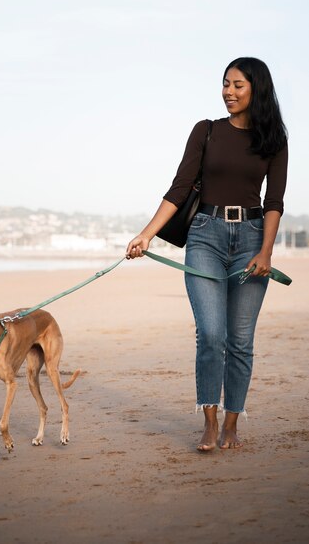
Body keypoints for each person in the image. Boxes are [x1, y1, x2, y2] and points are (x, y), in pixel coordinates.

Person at [126, 57, 288, 451]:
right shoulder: (207, 131)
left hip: (252, 239)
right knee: (211, 334)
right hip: (206, 237)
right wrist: (147, 235)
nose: (228, 92)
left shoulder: (274, 139)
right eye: (225, 84)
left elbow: (275, 202)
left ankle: (233, 423)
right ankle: (210, 421)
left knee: (241, 340)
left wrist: (266, 252)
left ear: (257, 90)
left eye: (238, 85)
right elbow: (179, 188)